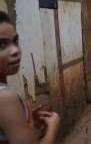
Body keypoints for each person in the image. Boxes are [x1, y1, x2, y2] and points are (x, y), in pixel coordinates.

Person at [0, 11, 60, 144]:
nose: (15, 50)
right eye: (2, 45)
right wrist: (53, 126)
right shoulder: (5, 98)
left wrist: (26, 119)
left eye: (15, 41)